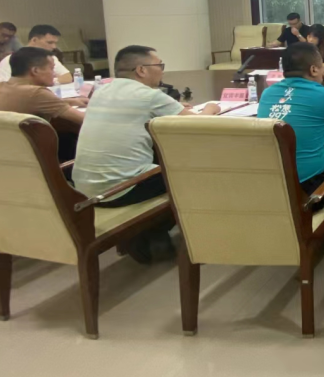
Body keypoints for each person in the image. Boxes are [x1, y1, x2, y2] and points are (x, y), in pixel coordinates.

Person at [73, 45, 220, 263]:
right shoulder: (149, 96)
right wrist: (211, 108)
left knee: (161, 159)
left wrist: (172, 107)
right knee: (195, 173)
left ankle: (149, 235)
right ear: (141, 70)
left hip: (84, 189)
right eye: (159, 65)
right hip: (122, 189)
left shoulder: (101, 91)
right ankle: (171, 237)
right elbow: (199, 125)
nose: (162, 71)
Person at [259, 42, 324, 192]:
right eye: (322, 67)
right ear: (313, 69)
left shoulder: (267, 93)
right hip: (307, 188)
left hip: (269, 184)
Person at [0, 47, 86, 126]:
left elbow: (27, 102)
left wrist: (68, 101)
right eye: (51, 69)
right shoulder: (37, 93)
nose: (54, 74)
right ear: (35, 70)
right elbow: (85, 121)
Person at [0, 25, 73, 83]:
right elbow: (3, 86)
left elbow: (67, 77)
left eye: (55, 43)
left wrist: (49, 81)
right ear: (34, 40)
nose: (54, 47)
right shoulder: (10, 60)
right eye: (50, 42)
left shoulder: (50, 58)